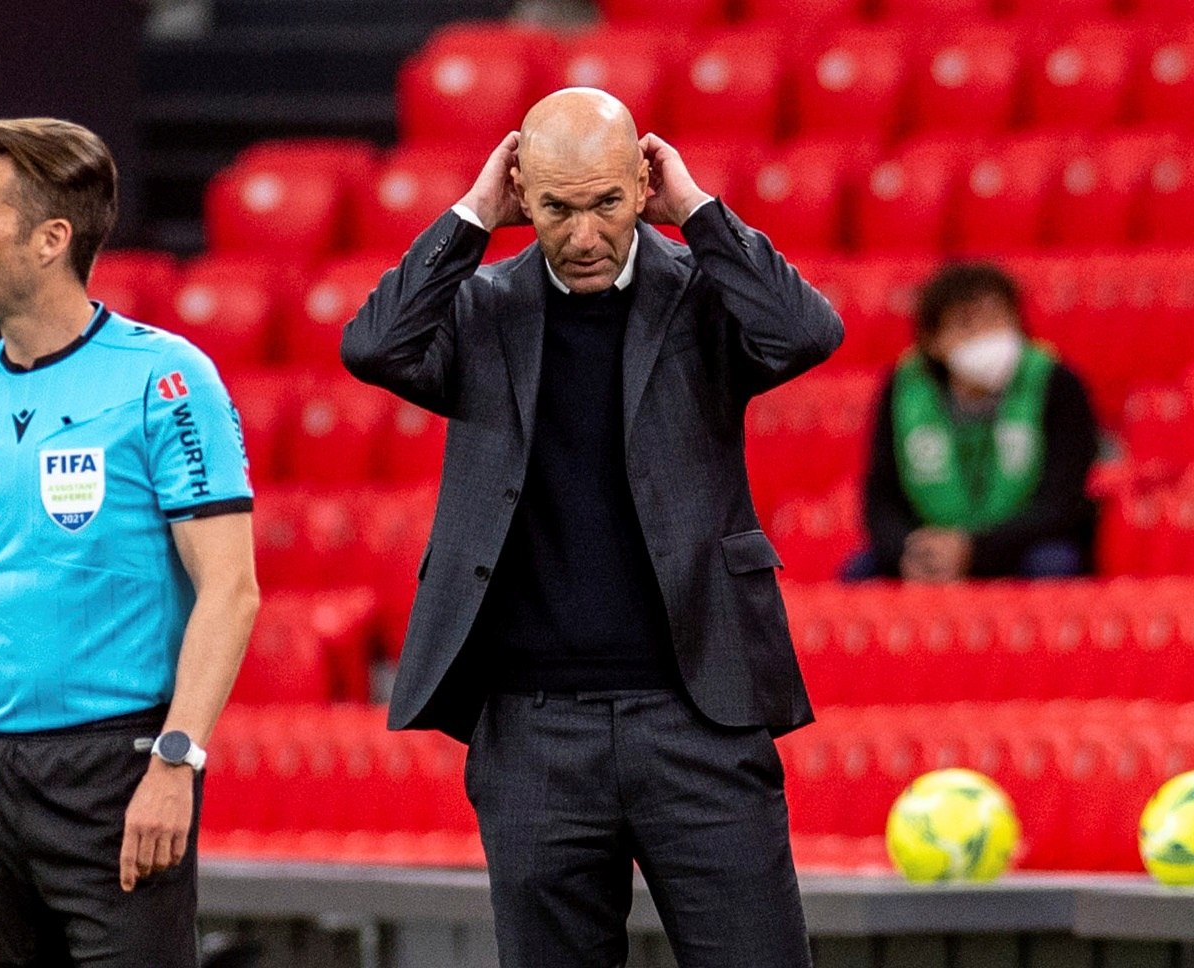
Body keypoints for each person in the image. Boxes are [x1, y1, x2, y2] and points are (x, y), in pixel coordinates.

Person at [341, 88, 842, 968]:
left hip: (700, 719)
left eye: (607, 202)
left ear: (641, 187)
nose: (583, 235)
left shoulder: (700, 296)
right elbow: (374, 346)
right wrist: (468, 218)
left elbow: (806, 331)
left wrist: (696, 210)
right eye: (556, 207)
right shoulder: (484, 308)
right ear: (520, 194)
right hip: (534, 734)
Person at [0, 118, 259, 966]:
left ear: (51, 239)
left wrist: (176, 764)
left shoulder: (167, 380)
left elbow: (231, 592)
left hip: (117, 779)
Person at [844, 262, 1099, 582]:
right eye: (966, 324)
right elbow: (881, 497)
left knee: (1053, 565)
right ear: (933, 341)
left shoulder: (1056, 383)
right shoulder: (903, 388)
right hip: (932, 544)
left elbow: (1065, 502)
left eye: (995, 320)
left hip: (1022, 545)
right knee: (860, 574)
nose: (984, 336)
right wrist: (908, 550)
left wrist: (976, 551)